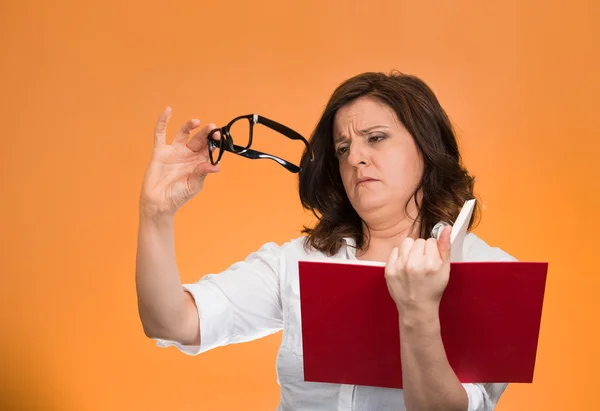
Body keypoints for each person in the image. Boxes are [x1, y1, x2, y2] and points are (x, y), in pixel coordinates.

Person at [136, 71, 517, 411]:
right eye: (343, 149)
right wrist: (156, 213)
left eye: (376, 138)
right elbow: (171, 322)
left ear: (427, 146)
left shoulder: (492, 273)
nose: (356, 158)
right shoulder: (297, 261)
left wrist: (418, 311)